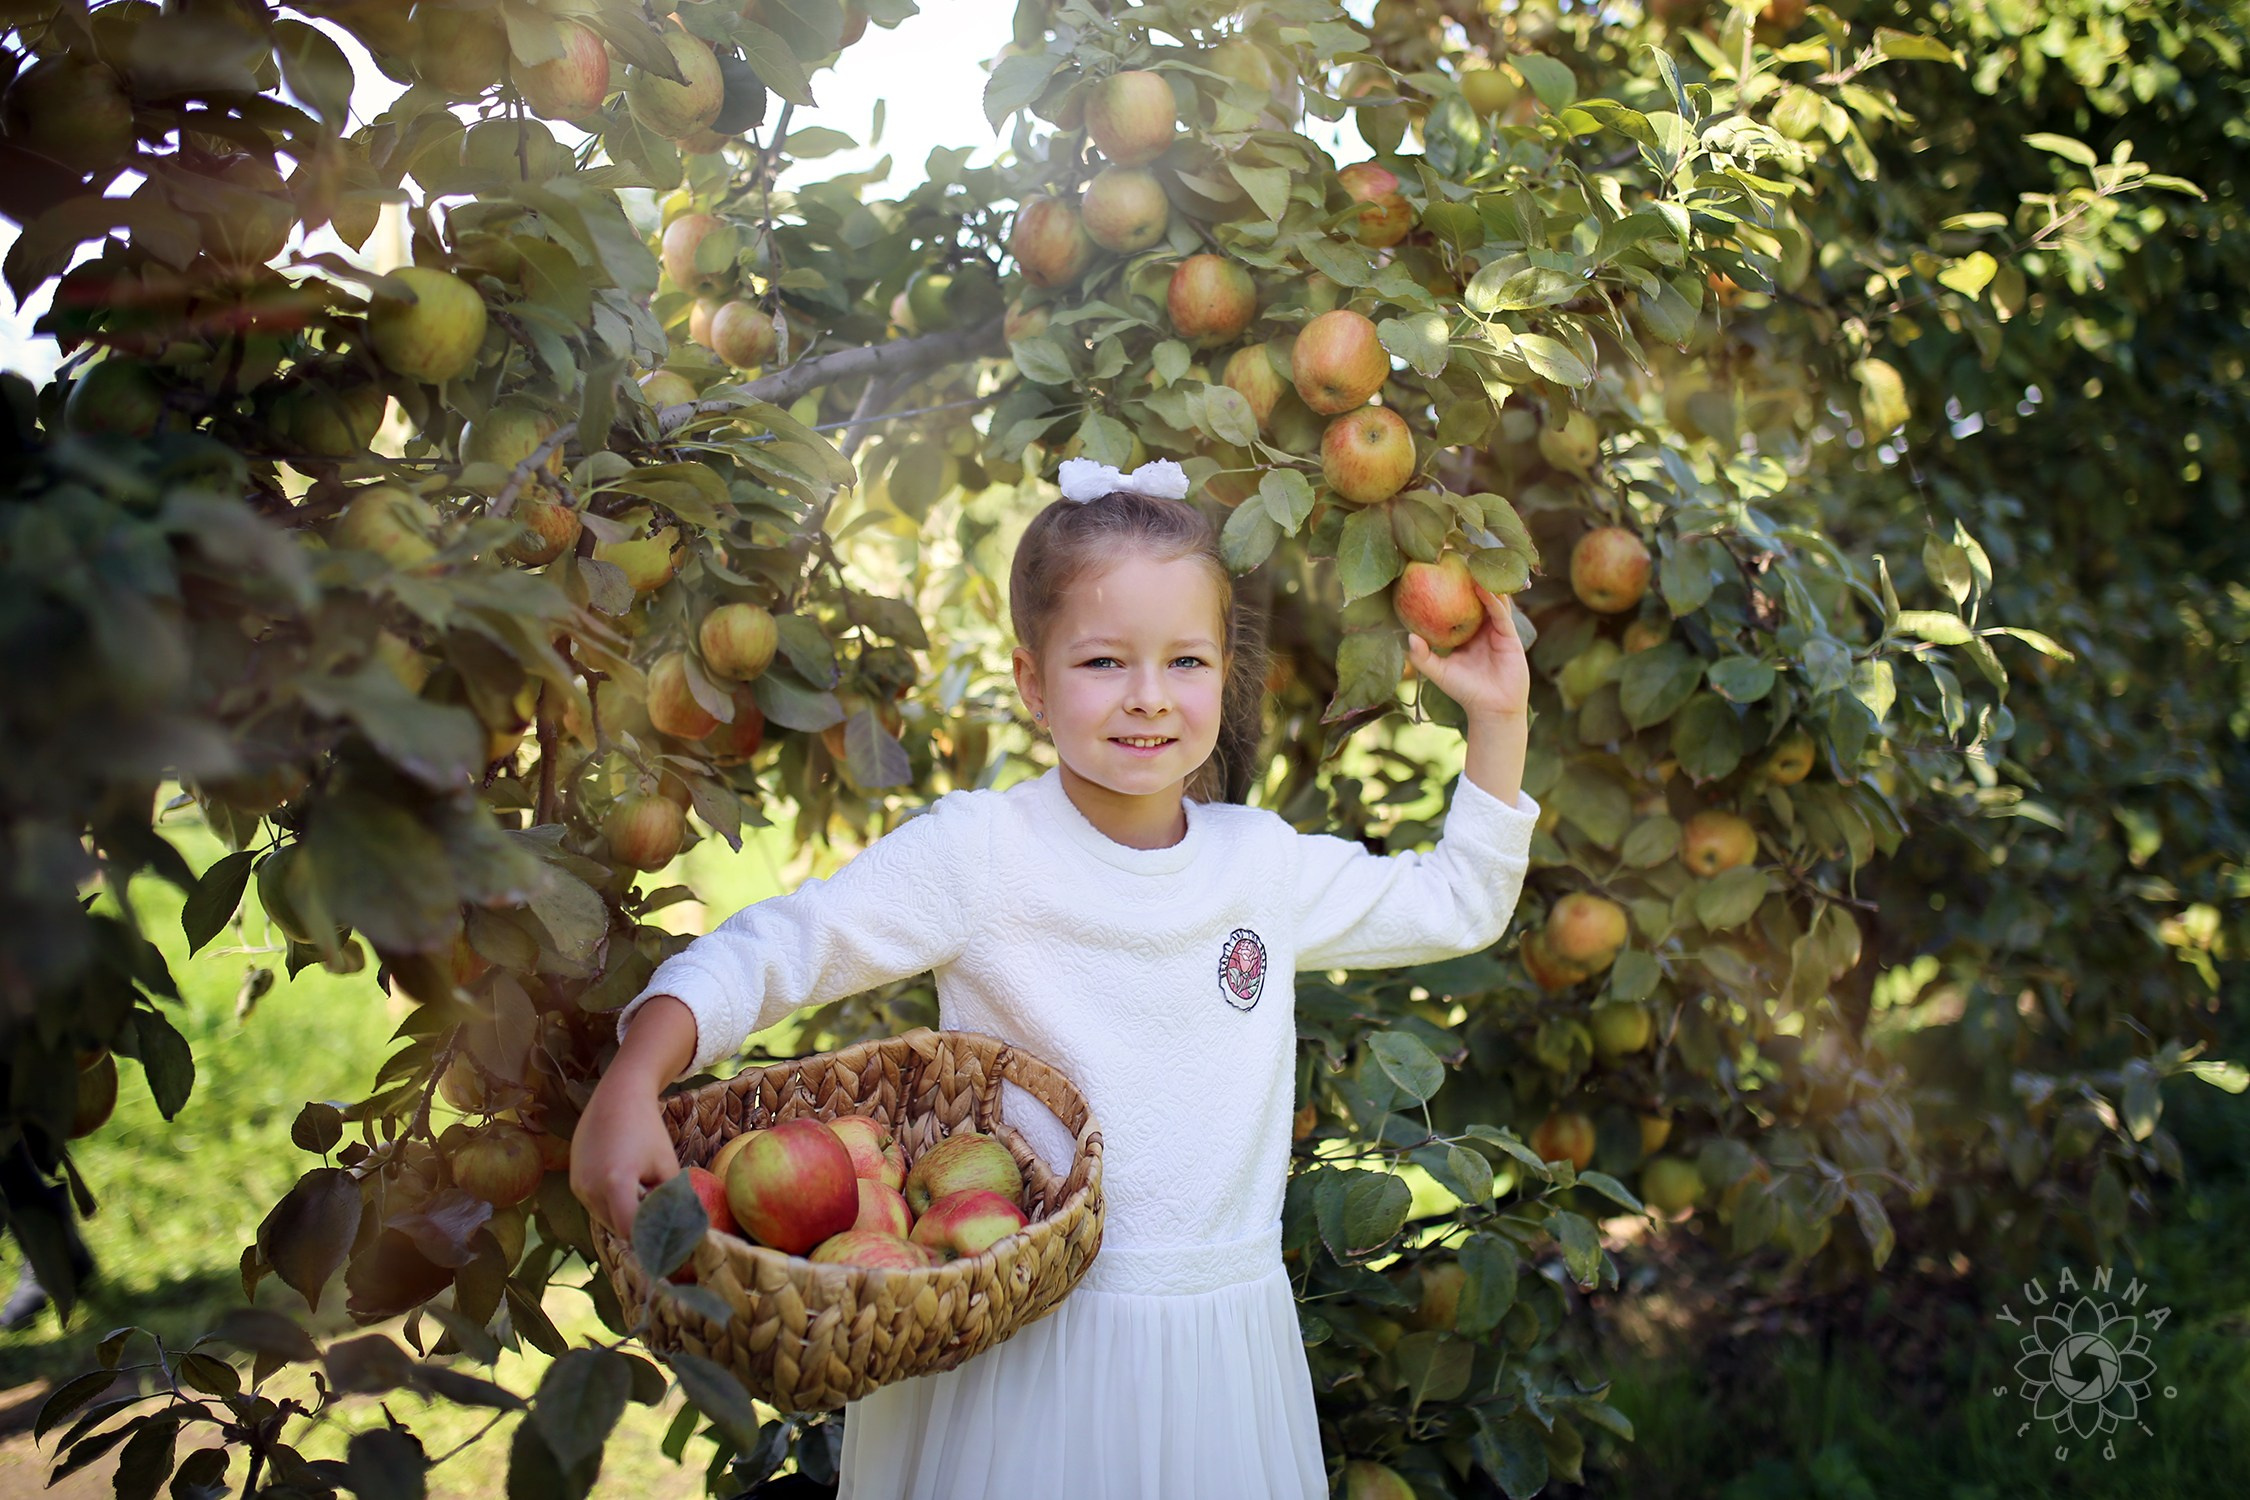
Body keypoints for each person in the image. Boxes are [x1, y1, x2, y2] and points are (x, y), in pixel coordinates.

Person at [571, 456, 1540, 1500]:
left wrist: (1500, 719)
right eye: (1104, 662)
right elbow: (777, 949)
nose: (1148, 697)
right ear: (1033, 682)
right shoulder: (982, 854)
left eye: (1185, 661)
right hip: (1020, 1349)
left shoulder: (1258, 864)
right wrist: (633, 1081)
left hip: (1215, 1356)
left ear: (1226, 674)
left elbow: (1458, 903)